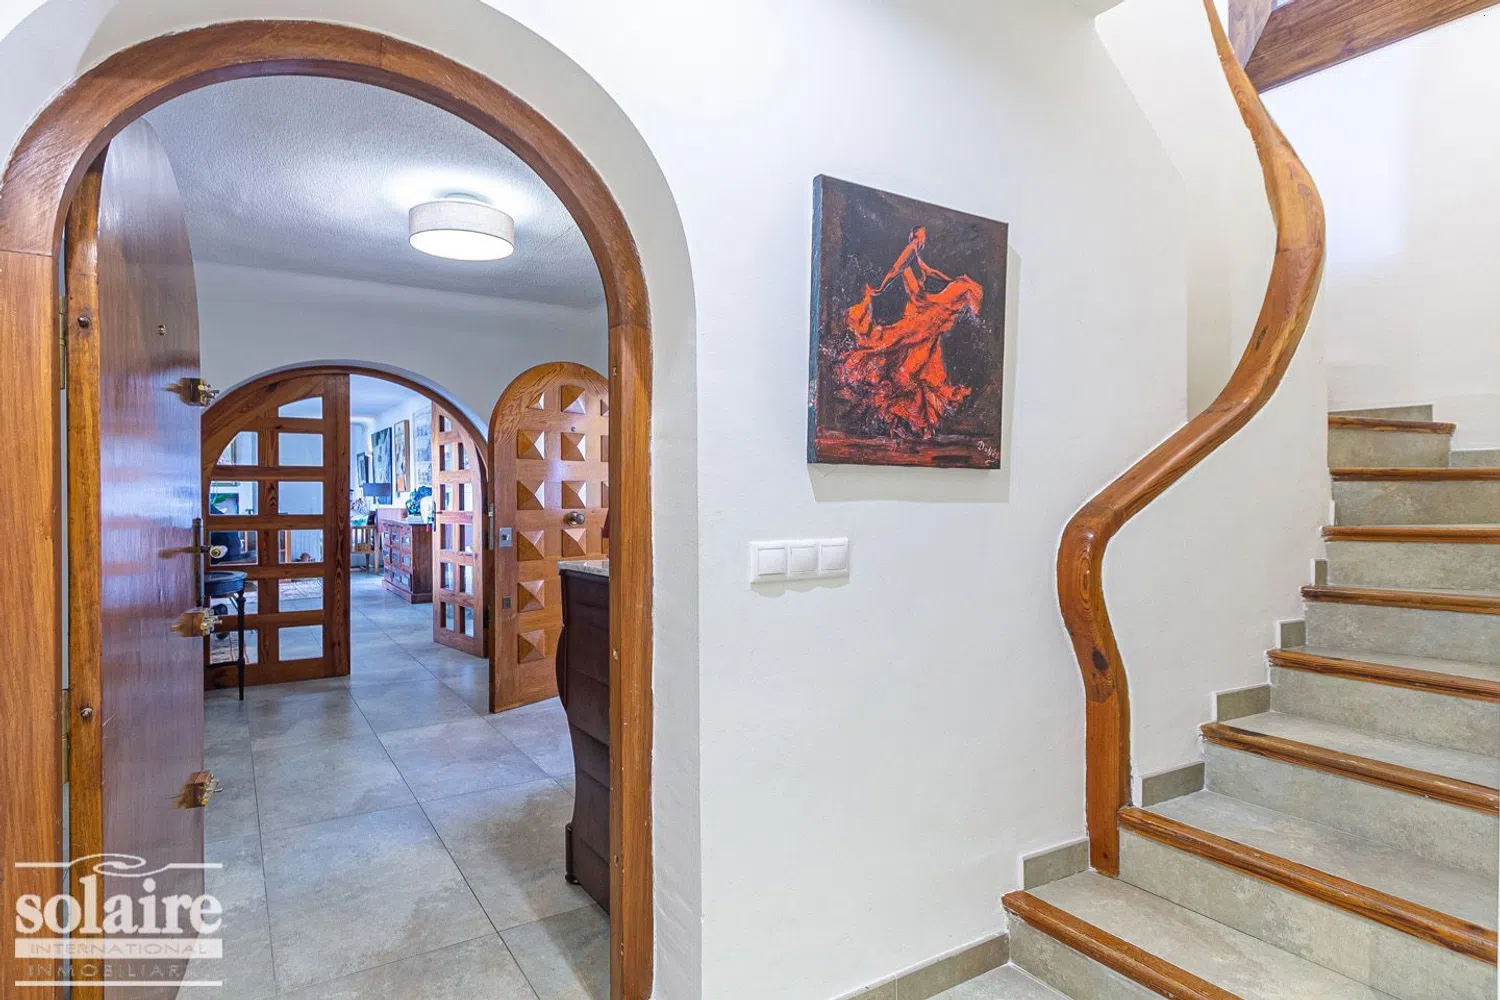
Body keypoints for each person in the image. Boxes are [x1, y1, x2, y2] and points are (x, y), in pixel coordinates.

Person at [837, 226, 983, 437]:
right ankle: (908, 418)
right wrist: (880, 289)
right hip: (918, 311)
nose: (924, 239)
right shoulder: (910, 250)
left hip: (922, 310)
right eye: (921, 235)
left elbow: (930, 272)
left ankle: (914, 421)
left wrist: (949, 280)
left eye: (924, 236)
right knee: (904, 355)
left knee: (920, 361)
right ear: (915, 236)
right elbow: (894, 270)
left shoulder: (917, 255)